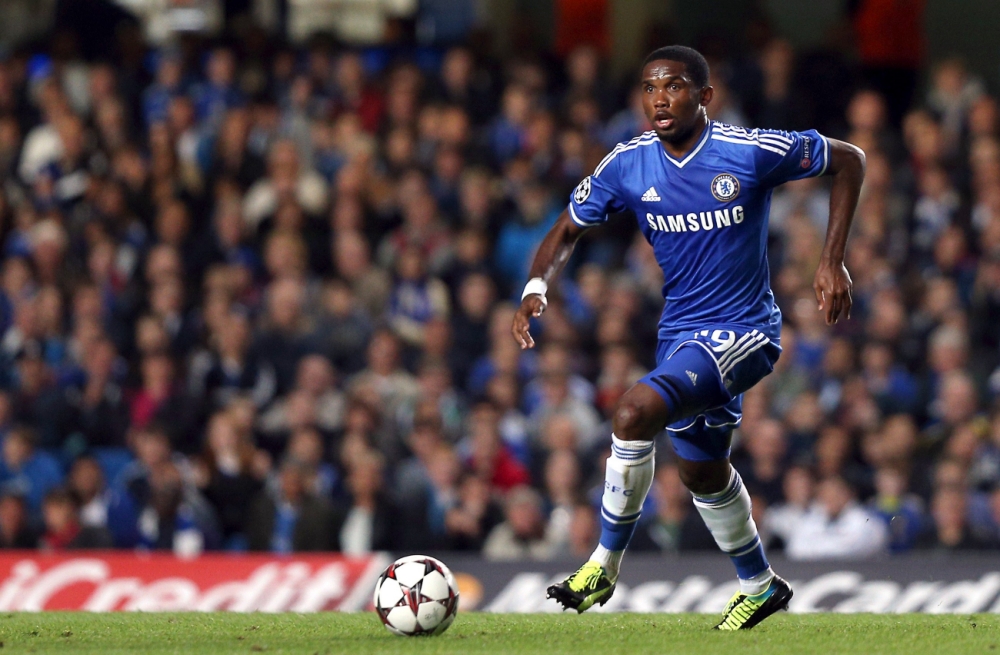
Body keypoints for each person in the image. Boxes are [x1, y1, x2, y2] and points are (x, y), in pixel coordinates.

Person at [512, 45, 865, 630]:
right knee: (701, 473)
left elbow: (849, 159)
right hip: (679, 336)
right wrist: (536, 287)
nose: (659, 99)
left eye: (673, 86)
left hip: (745, 331)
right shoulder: (628, 163)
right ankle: (761, 585)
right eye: (649, 88)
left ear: (705, 96)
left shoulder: (748, 151)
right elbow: (567, 228)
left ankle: (602, 564)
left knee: (632, 413)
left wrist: (832, 260)